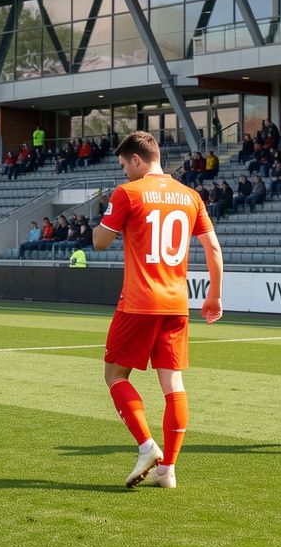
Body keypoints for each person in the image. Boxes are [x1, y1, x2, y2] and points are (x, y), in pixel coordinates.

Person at [93, 130, 223, 490]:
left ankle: (147, 445)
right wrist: (213, 295)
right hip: (176, 304)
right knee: (173, 384)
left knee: (115, 376)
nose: (123, 173)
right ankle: (169, 470)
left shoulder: (128, 193)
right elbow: (212, 247)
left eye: (124, 166)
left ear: (137, 159)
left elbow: (100, 242)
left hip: (138, 302)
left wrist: (108, 212)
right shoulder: (190, 196)